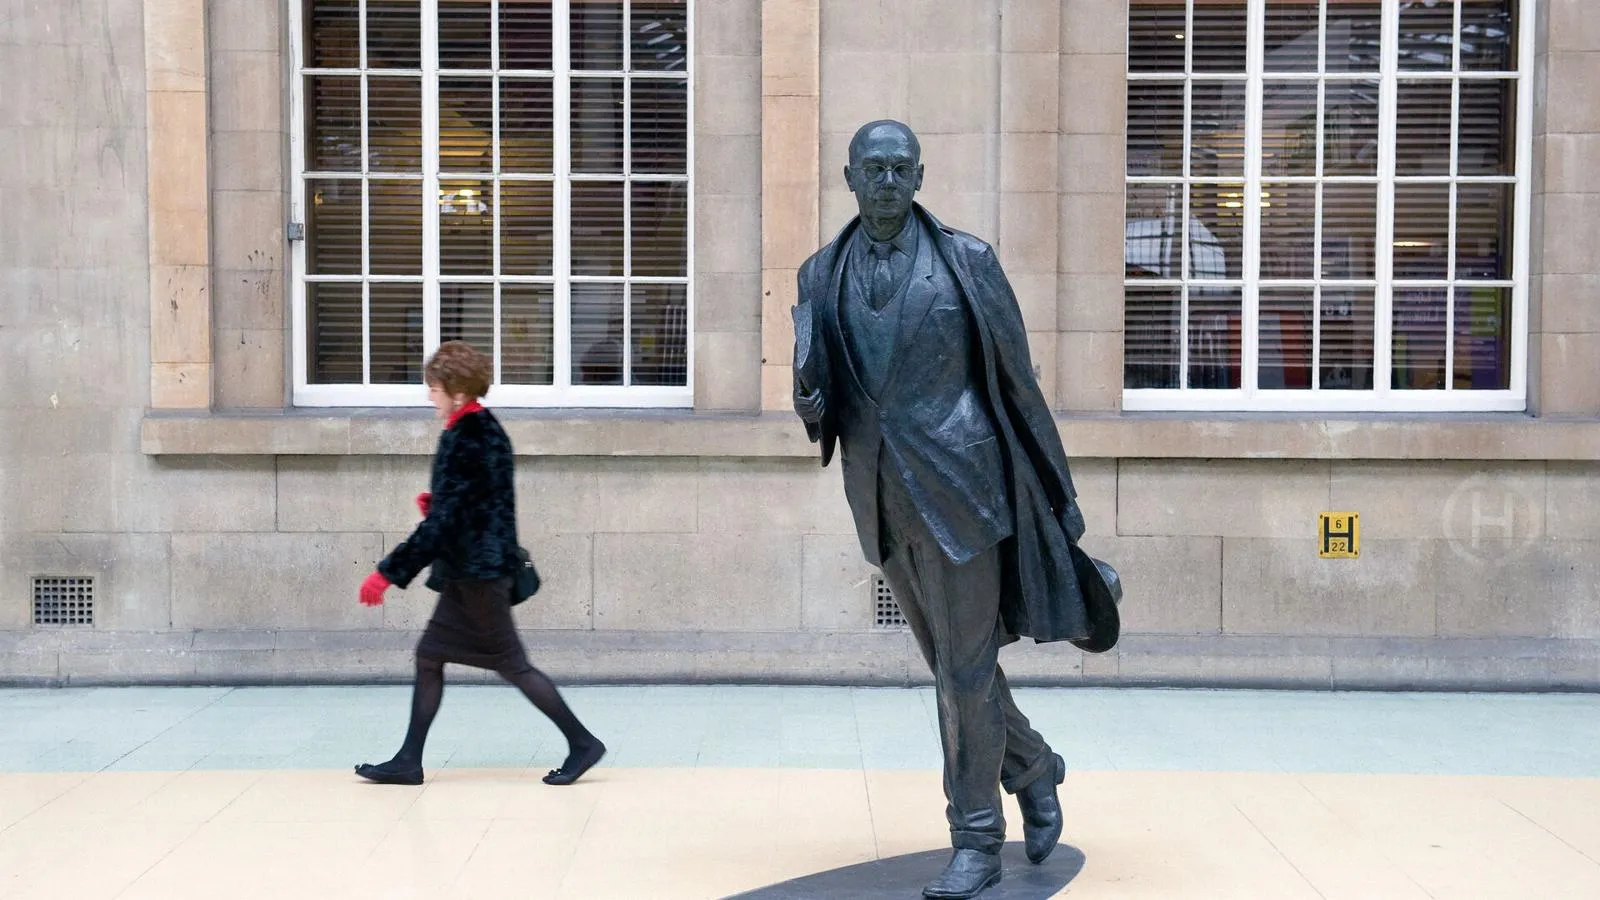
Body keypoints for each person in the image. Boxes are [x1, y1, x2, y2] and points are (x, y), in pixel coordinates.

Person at [791, 121, 1120, 900]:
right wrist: (809, 401)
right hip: (879, 498)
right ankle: (1035, 765)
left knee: (963, 672)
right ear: (847, 177)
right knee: (951, 667)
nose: (885, 181)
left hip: (965, 491)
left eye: (900, 168)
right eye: (871, 168)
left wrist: (1060, 497)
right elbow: (828, 400)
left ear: (920, 175)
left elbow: (1017, 383)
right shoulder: (818, 274)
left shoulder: (966, 262)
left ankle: (975, 838)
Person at [353, 340, 606, 787]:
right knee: (430, 656)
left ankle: (583, 743)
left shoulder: (467, 437)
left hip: (479, 576)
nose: (428, 395)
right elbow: (476, 503)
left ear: (456, 389)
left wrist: (388, 572)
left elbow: (450, 522)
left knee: (514, 666)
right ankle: (408, 761)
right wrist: (439, 503)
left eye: (433, 387)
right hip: (472, 572)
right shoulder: (481, 428)